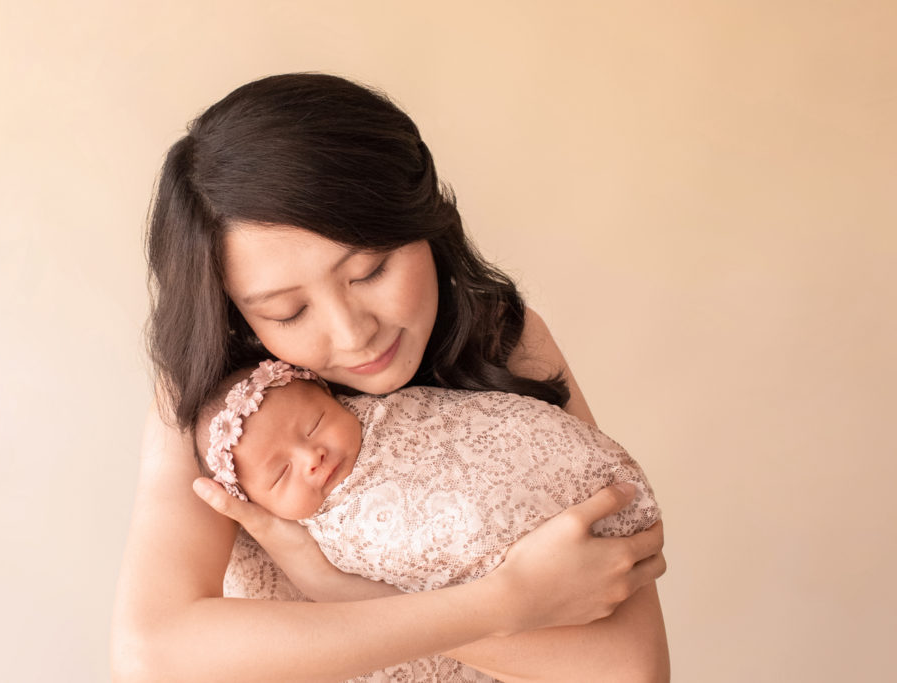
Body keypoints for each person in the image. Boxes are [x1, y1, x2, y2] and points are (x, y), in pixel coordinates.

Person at [112, 72, 668, 683]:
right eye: (287, 312)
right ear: (234, 309)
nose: (352, 335)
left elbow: (629, 671)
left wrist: (335, 586)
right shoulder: (223, 410)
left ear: (425, 218)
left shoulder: (506, 339)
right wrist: (506, 602)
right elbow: (153, 656)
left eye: (371, 271)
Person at [195, 359, 661, 600]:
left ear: (332, 396)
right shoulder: (331, 538)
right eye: (281, 474)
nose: (310, 457)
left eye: (314, 424)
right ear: (258, 505)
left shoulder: (394, 410)